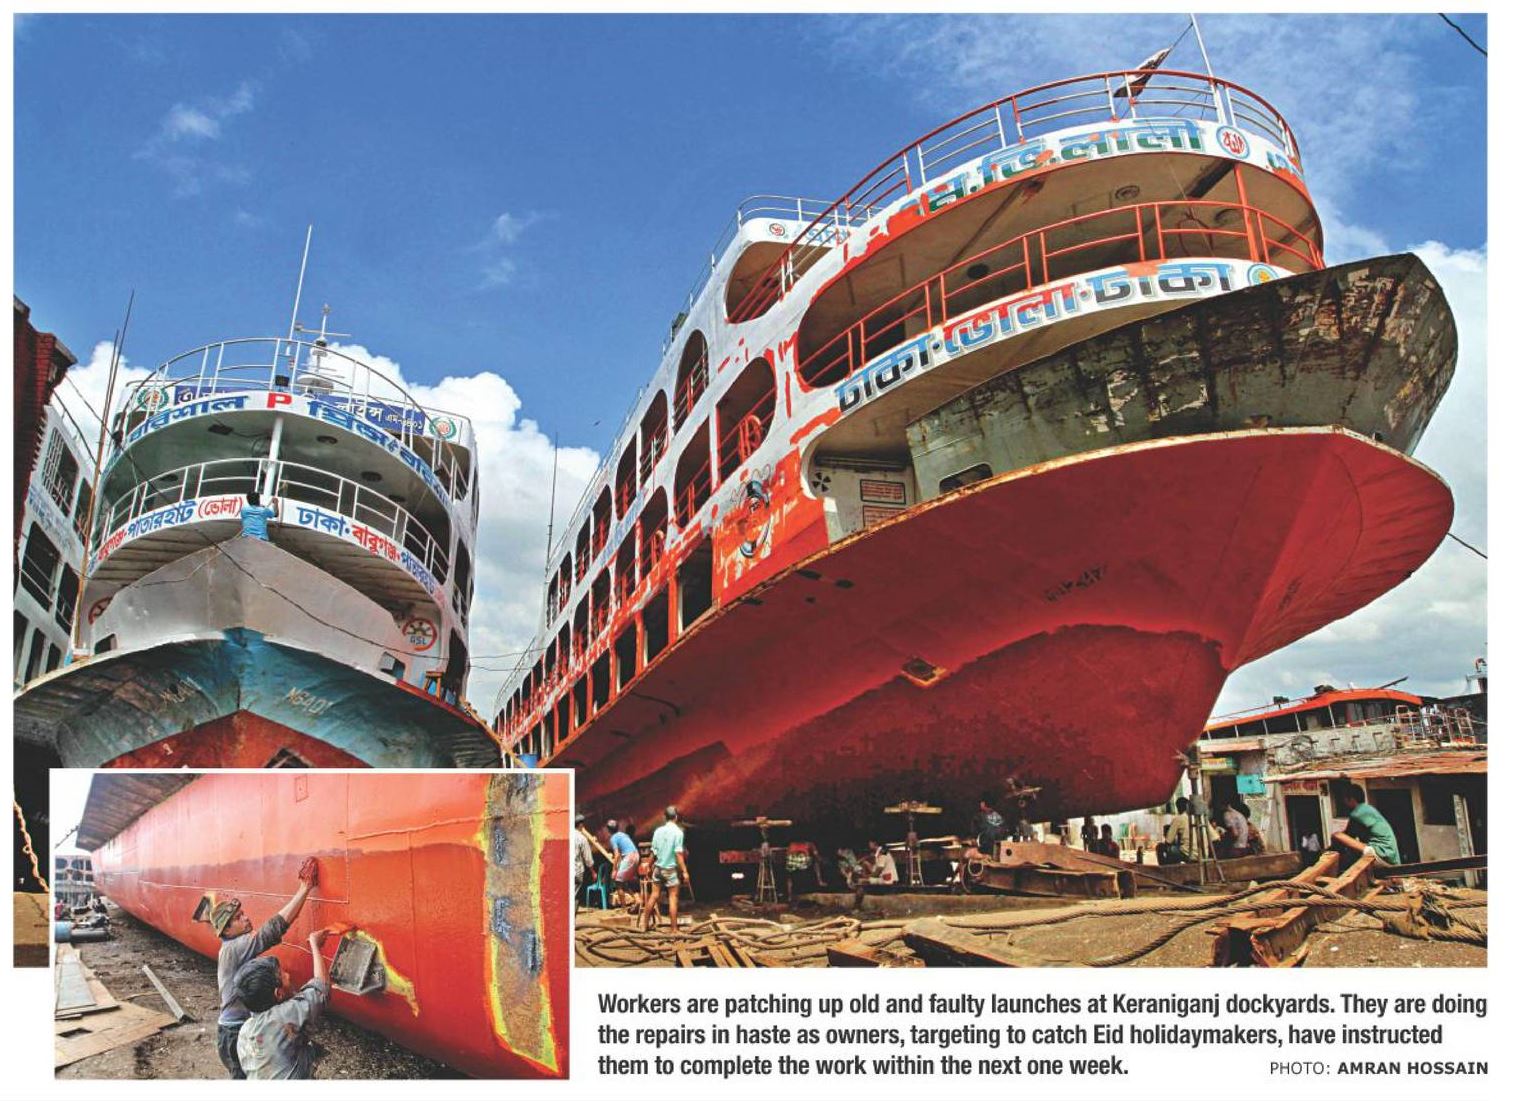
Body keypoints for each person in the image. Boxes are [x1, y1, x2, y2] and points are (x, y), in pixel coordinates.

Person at [214, 858, 317, 1079]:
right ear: (227, 931)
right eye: (238, 918)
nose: (246, 918)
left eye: (243, 913)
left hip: (233, 1028)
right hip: (234, 1031)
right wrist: (304, 889)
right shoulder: (235, 948)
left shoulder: (230, 947)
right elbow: (272, 930)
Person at [234, 927, 333, 1079]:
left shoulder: (245, 1031)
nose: (288, 975)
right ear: (278, 993)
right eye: (283, 974)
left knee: (309, 1048)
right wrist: (315, 945)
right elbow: (321, 989)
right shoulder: (281, 1018)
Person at [642, 806, 691, 932]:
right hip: (670, 871)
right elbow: (678, 854)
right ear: (676, 817)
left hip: (658, 869)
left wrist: (648, 866)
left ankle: (644, 926)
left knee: (653, 896)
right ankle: (674, 929)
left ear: (665, 817)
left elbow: (653, 852)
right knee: (673, 898)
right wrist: (685, 871)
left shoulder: (658, 831)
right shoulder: (678, 832)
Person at [1332, 784, 1401, 865]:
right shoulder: (1367, 809)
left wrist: (1329, 849)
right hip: (1389, 854)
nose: (1344, 803)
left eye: (1345, 800)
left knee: (1336, 835)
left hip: (1381, 852)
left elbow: (1348, 835)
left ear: (1351, 799)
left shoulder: (1358, 813)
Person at [608, 818, 639, 905]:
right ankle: (637, 900)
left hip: (629, 857)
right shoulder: (623, 834)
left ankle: (623, 908)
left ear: (609, 830)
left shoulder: (613, 838)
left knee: (618, 883)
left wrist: (614, 870)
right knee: (624, 881)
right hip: (636, 855)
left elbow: (617, 855)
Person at [971, 792, 1009, 858]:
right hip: (1002, 852)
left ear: (983, 804)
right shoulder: (1001, 817)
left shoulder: (979, 817)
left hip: (986, 852)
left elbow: (973, 840)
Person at [573, 814, 595, 911]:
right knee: (575, 897)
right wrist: (593, 872)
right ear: (581, 825)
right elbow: (588, 859)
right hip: (576, 871)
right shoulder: (581, 838)